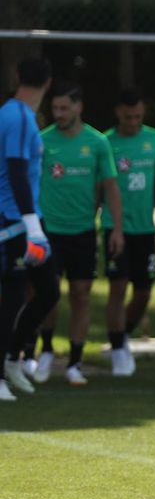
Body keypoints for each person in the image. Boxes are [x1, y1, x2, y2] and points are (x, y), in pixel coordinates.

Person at [29, 82, 123, 385]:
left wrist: (116, 228)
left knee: (81, 295)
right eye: (54, 108)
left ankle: (74, 362)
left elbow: (110, 186)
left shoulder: (97, 143)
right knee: (48, 294)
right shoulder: (42, 142)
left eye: (64, 108)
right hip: (49, 231)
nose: (58, 114)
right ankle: (44, 351)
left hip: (83, 232)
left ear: (79, 107)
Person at [103, 88, 155, 376]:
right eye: (129, 117)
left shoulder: (154, 138)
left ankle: (123, 333)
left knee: (143, 292)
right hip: (114, 227)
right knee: (118, 286)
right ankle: (118, 348)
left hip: (145, 228)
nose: (134, 121)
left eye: (139, 116)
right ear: (118, 113)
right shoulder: (106, 142)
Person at [0, 57, 52, 400]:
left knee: (47, 290)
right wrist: (32, 226)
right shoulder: (17, 116)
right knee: (13, 296)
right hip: (15, 221)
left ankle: (12, 358)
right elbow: (17, 170)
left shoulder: (18, 114)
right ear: (48, 83)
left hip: (27, 218)